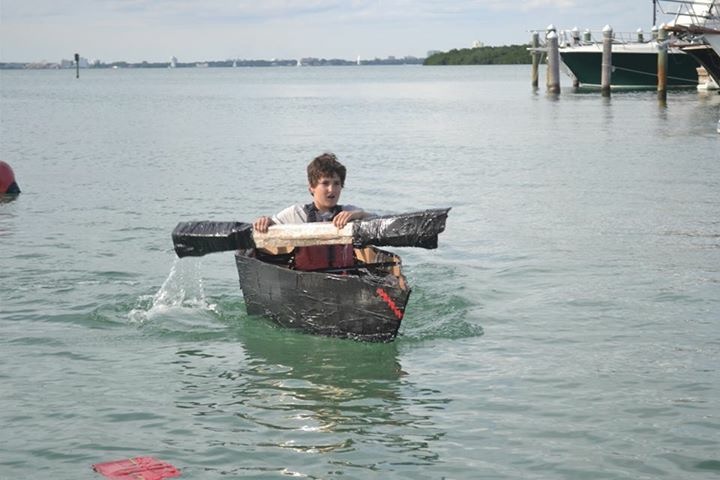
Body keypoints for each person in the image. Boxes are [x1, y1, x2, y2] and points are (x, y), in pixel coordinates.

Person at [253, 152, 372, 270]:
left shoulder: (349, 212)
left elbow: (383, 222)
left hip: (345, 279)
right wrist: (264, 221)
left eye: (336, 183)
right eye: (325, 183)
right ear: (312, 187)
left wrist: (358, 215)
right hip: (306, 281)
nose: (332, 189)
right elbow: (269, 226)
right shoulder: (296, 214)